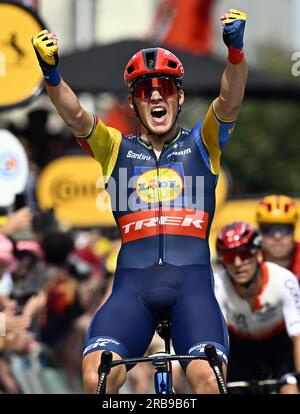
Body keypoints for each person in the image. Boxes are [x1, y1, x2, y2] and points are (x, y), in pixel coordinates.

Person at [32, 8, 248, 394]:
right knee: (97, 375)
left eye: (164, 86)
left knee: (206, 381)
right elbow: (76, 116)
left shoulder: (203, 143)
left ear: (179, 96)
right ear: (133, 104)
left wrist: (235, 54)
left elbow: (229, 102)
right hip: (132, 292)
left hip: (192, 291)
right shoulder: (115, 148)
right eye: (144, 90)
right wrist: (52, 76)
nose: (154, 95)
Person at [215, 221, 300, 393]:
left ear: (259, 255)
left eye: (244, 254)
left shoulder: (284, 280)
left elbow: (298, 335)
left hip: (279, 347)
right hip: (240, 349)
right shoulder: (218, 285)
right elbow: (218, 340)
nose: (238, 263)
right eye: (230, 257)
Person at [256, 194, 300, 282]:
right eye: (268, 229)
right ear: (260, 232)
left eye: (285, 229)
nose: (277, 236)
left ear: (293, 230)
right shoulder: (250, 261)